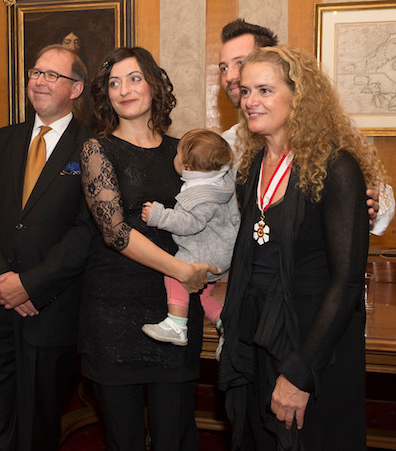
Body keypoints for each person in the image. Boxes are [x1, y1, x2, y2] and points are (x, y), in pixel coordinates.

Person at [218, 45, 388, 450]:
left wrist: (300, 373)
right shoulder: (252, 166)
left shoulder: (336, 167)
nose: (250, 102)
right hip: (258, 340)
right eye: (245, 91)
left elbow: (346, 285)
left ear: (300, 97)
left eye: (264, 90)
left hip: (313, 346)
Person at [79, 46, 219, 451]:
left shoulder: (185, 151)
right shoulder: (96, 149)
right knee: (123, 439)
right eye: (114, 82)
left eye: (134, 78)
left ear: (154, 86)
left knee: (175, 435)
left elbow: (218, 209)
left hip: (173, 313)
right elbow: (114, 231)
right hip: (114, 312)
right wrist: (181, 270)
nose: (124, 89)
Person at [0, 44, 93, 451]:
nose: (39, 80)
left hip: (49, 311)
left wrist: (31, 285)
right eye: (36, 72)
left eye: (52, 75)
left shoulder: (93, 147)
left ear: (76, 89)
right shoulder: (2, 140)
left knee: (39, 426)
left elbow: (86, 231)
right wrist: (3, 280)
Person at [218, 18, 394, 234]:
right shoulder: (228, 143)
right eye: (223, 68)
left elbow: (382, 199)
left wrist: (369, 209)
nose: (230, 76)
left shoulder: (330, 137)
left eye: (240, 63)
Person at [140, 129, 239, 347]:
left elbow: (189, 223)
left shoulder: (201, 195)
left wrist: (159, 215)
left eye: (177, 155)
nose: (174, 158)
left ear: (188, 168)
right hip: (223, 252)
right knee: (203, 297)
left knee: (175, 271)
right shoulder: (220, 179)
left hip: (209, 252)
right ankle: (227, 325)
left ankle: (176, 324)